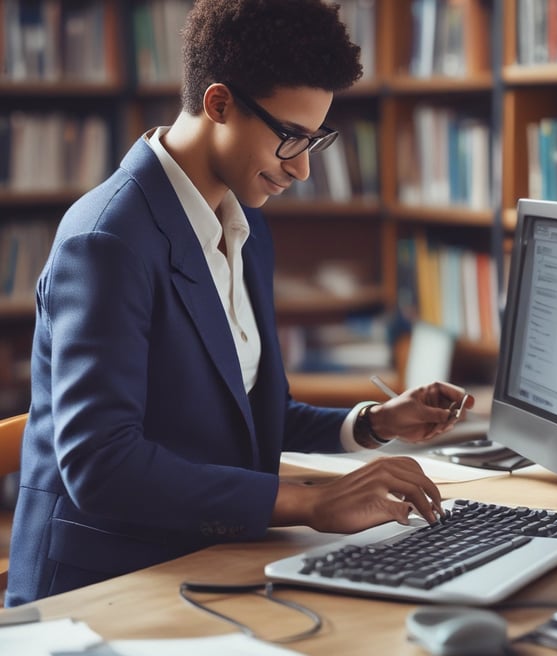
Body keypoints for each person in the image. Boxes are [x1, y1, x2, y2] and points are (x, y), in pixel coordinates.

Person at [5, 0, 474, 607]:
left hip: (212, 560)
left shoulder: (242, 222)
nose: (303, 169)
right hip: (106, 585)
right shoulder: (107, 241)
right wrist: (309, 501)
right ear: (218, 103)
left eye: (316, 139)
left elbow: (246, 414)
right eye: (290, 138)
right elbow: (102, 465)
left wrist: (372, 423)